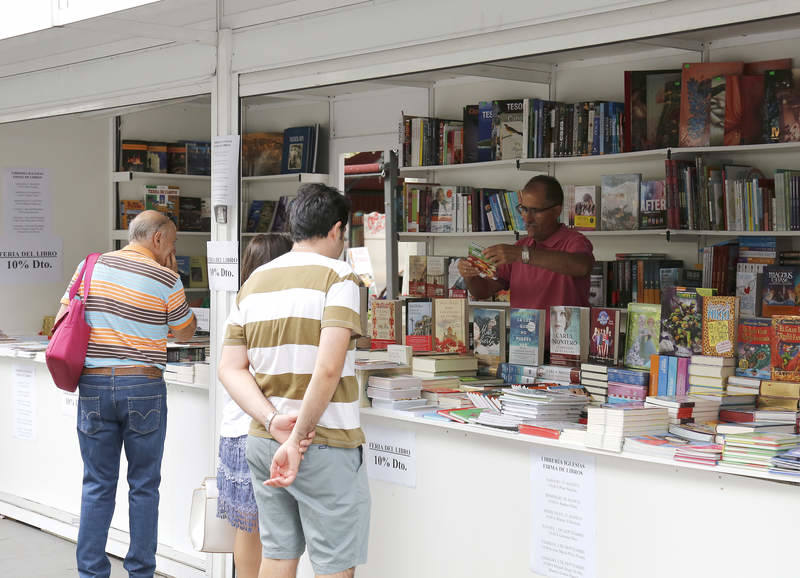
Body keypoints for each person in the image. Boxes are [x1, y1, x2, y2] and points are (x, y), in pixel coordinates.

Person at [218, 183, 369, 578]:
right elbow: (328, 368)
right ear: (337, 229)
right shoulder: (340, 278)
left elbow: (230, 368)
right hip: (325, 441)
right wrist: (300, 437)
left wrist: (272, 421)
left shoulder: (256, 282)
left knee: (279, 554)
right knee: (334, 562)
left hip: (265, 440)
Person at [55, 210, 196, 578]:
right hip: (143, 385)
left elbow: (63, 316)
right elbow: (184, 332)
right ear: (159, 239)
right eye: (174, 242)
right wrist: (174, 277)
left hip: (94, 385)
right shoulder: (166, 277)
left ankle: (91, 571)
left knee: (97, 483)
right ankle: (140, 572)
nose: (173, 249)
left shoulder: (89, 265)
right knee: (144, 485)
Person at [216, 234, 293, 578]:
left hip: (237, 429)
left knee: (249, 526)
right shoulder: (274, 307)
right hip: (261, 430)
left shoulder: (241, 305)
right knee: (266, 529)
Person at [458, 175, 594, 339]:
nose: (527, 218)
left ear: (557, 211)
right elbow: (483, 291)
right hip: (523, 348)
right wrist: (470, 276)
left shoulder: (575, 241)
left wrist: (523, 255)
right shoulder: (518, 249)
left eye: (536, 211)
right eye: (523, 209)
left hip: (567, 351)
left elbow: (580, 266)